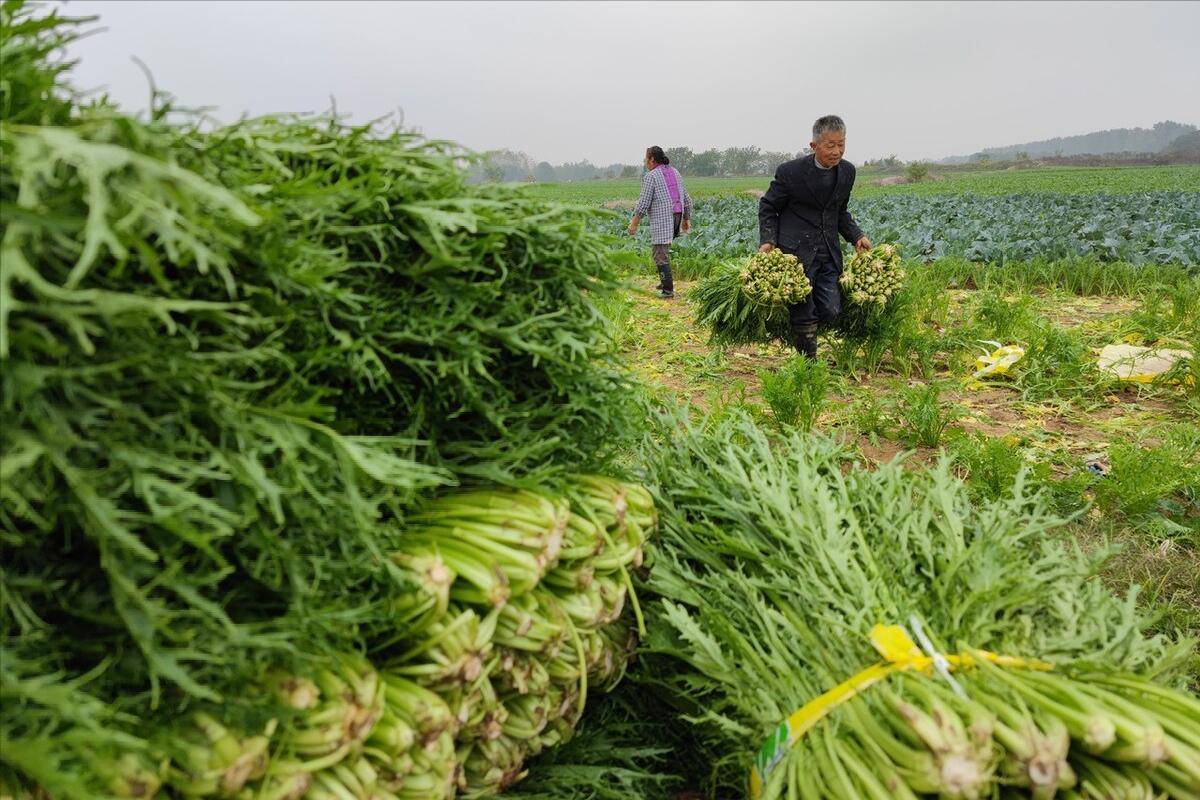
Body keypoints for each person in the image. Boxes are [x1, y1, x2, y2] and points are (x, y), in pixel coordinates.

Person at [758, 115, 872, 359]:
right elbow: (769, 207)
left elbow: (839, 211)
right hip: (795, 254)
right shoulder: (791, 172)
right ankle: (807, 363)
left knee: (831, 309)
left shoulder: (847, 172)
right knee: (804, 310)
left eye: (841, 144)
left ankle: (798, 335)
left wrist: (856, 235)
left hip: (828, 252)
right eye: (830, 145)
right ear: (814, 146)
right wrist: (768, 240)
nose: (837, 151)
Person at [628, 146, 693, 299]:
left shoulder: (651, 176)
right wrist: (686, 219)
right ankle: (665, 282)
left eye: (646, 158)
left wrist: (634, 223)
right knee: (661, 250)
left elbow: (644, 202)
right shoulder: (674, 172)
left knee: (660, 253)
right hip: (677, 215)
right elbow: (687, 198)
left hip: (664, 217)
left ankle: (668, 290)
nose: (645, 162)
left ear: (652, 159)